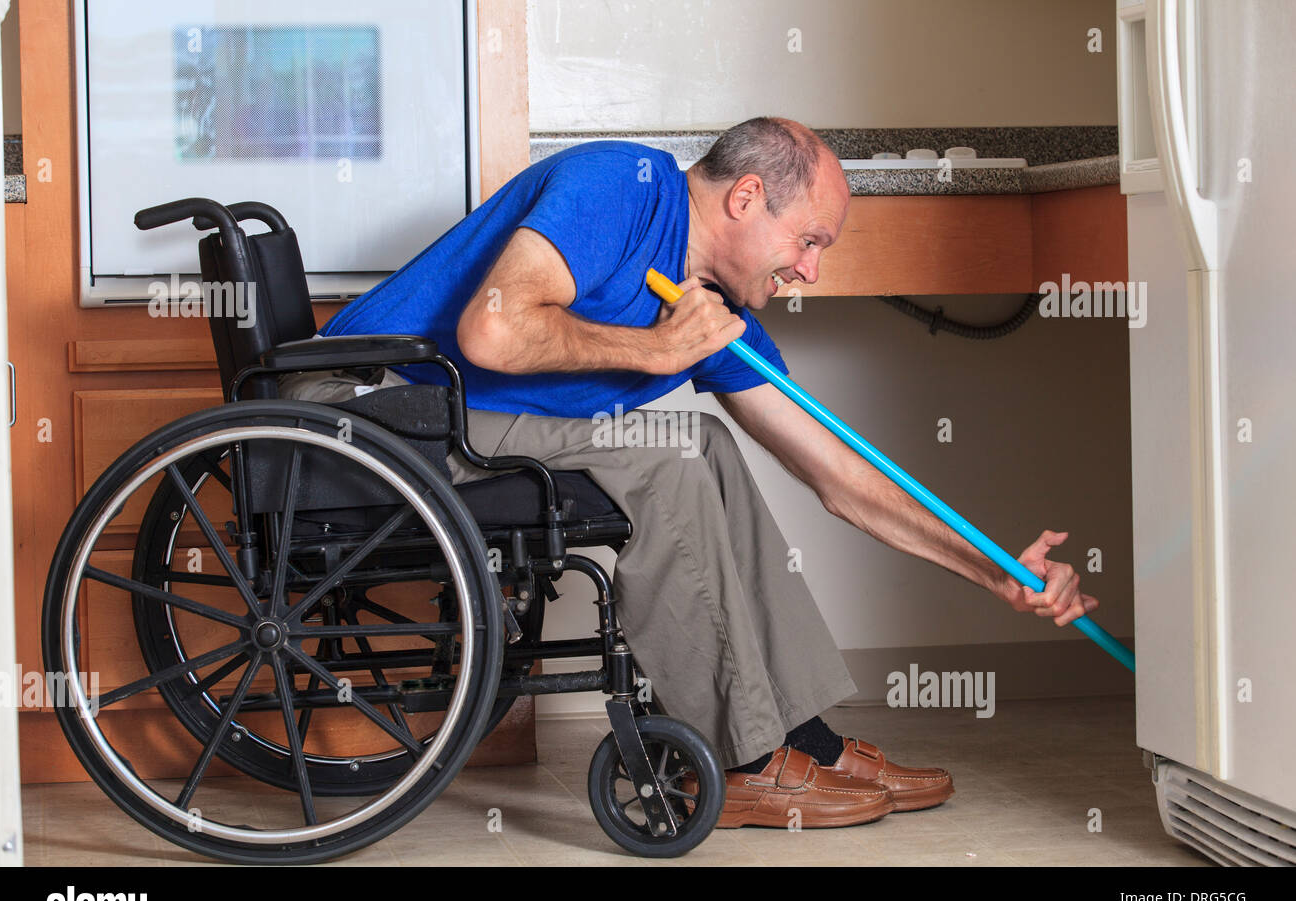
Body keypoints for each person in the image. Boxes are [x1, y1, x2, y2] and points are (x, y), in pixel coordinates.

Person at [281, 117, 1099, 828]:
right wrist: (662, 349)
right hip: (370, 407)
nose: (812, 270)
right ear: (745, 198)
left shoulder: (717, 309)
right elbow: (492, 334)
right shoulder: (617, 185)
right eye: (809, 241)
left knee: (701, 442)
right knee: (668, 458)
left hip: (449, 417)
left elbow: (839, 474)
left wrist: (992, 571)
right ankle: (741, 764)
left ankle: (799, 737)